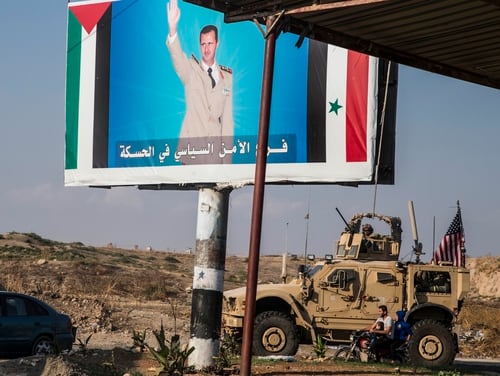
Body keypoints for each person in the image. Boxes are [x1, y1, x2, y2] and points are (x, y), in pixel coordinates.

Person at [166, 0, 234, 164]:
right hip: (192, 152)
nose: (206, 48)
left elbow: (227, 121)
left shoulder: (227, 77)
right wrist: (173, 29)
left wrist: (227, 163)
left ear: (217, 44)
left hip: (215, 154)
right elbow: (178, 58)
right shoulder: (191, 70)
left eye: (210, 43)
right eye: (203, 44)